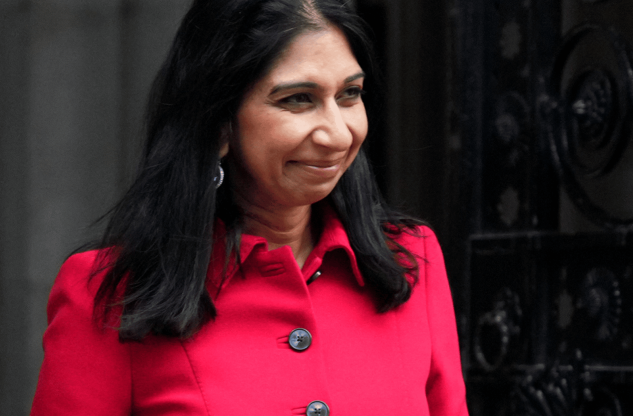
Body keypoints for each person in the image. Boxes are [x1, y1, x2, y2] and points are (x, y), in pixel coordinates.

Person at [30, 0, 468, 414]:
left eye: (350, 94)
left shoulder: (411, 261)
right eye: (298, 99)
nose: (338, 133)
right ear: (219, 124)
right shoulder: (111, 295)